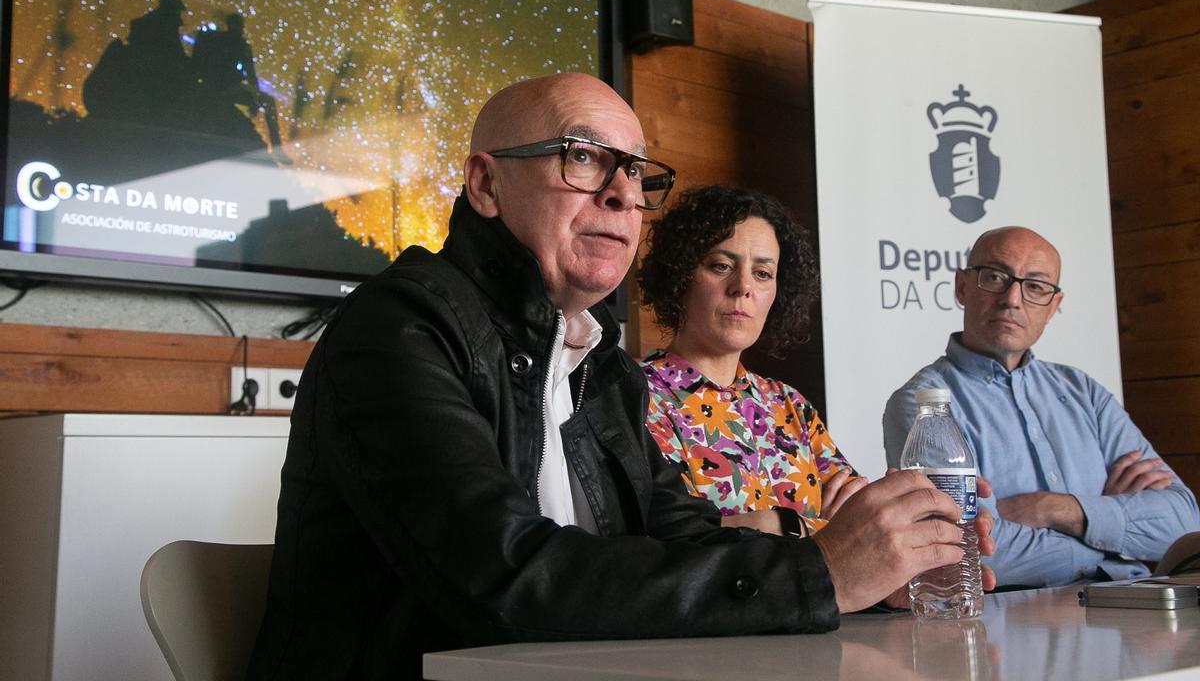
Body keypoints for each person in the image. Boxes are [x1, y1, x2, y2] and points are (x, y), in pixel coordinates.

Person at [248, 73, 994, 679]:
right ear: (484, 184)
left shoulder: (598, 365)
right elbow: (502, 577)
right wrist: (821, 575)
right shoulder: (395, 330)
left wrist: (871, 577)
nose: (621, 194)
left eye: (635, 172)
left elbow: (686, 538)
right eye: (582, 156)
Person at [883, 225, 1199, 588]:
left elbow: (1185, 525)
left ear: (1053, 307)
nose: (1013, 299)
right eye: (996, 277)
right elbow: (970, 549)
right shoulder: (925, 404)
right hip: (1010, 624)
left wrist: (1055, 509)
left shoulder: (1085, 393)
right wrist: (1112, 535)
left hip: (1132, 609)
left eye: (1035, 287)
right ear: (962, 287)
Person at [638, 185, 867, 538]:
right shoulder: (637, 395)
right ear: (680, 276)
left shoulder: (791, 406)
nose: (743, 286)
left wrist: (773, 526)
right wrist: (808, 529)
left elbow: (858, 525)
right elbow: (676, 539)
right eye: (721, 265)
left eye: (762, 273)